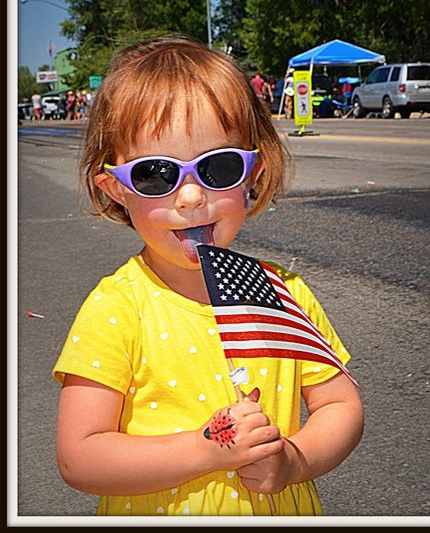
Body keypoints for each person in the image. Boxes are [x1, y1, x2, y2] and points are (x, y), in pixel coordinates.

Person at [53, 36, 364, 517]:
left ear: (253, 172)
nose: (192, 198)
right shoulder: (118, 307)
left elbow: (341, 407)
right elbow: (79, 456)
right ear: (115, 188)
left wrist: (294, 461)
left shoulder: (282, 294)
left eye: (218, 168)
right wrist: (203, 451)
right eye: (156, 175)